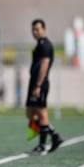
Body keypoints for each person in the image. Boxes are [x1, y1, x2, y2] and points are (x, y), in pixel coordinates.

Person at [26, 19, 64, 155]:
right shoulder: (39, 44)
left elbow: (44, 65)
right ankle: (54, 136)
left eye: (37, 29)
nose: (35, 32)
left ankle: (43, 144)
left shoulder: (46, 45)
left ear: (44, 29)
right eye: (33, 29)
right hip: (34, 83)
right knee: (30, 113)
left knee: (41, 113)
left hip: (39, 84)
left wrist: (38, 85)